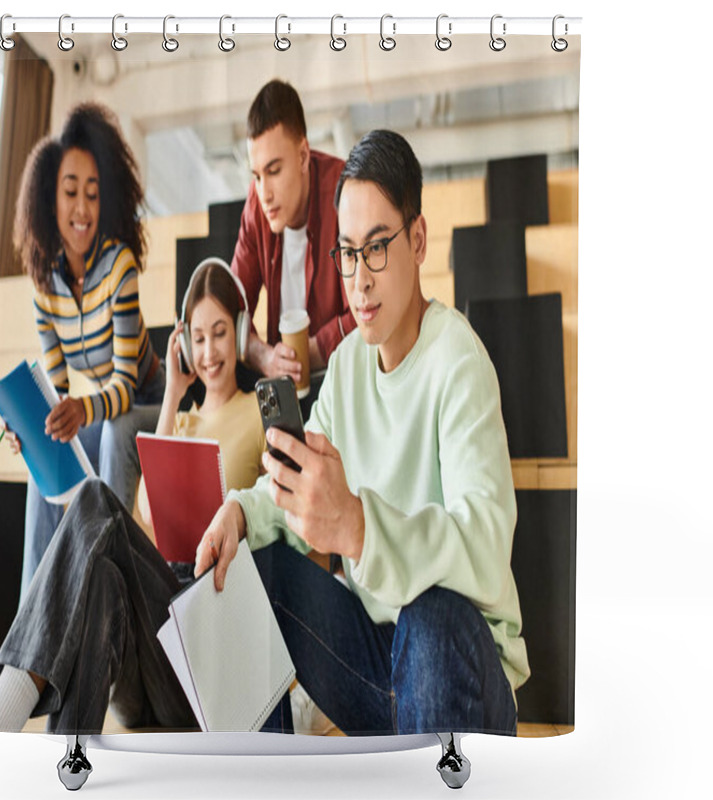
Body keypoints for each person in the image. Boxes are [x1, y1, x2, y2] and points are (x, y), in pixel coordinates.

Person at [197, 129, 530, 735]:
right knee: (255, 569)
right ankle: (264, 775)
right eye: (348, 253)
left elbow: (483, 548)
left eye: (377, 247)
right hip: (382, 668)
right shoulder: (347, 365)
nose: (360, 278)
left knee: (431, 613)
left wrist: (359, 526)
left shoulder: (459, 361)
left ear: (418, 240)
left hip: (463, 675)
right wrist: (239, 513)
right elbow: (292, 487)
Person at [0, 260, 270, 735]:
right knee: (105, 578)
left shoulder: (258, 415)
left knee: (94, 497)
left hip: (205, 650)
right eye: (198, 337)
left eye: (219, 333)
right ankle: (65, 762)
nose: (209, 351)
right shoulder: (183, 421)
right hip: (150, 659)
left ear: (238, 332)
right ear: (184, 346)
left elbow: (276, 515)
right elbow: (149, 511)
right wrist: (173, 393)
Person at [8, 102, 165, 601]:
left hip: (150, 403)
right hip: (106, 408)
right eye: (71, 193)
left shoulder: (120, 266)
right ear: (47, 199)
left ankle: (106, 594)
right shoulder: (45, 288)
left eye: (93, 196)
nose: (82, 210)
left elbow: (124, 386)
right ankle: (31, 631)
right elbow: (54, 394)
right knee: (45, 453)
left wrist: (78, 410)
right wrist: (30, 427)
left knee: (116, 430)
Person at [230, 79, 357, 394]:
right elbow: (230, 306)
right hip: (284, 389)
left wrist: (304, 355)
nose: (264, 193)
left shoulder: (348, 194)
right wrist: (263, 356)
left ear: (302, 155)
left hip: (344, 382)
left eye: (274, 171)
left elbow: (364, 312)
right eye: (257, 176)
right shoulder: (256, 204)